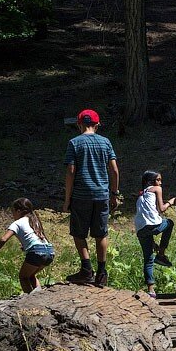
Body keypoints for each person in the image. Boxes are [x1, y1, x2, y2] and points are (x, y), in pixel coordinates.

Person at [63, 109, 120, 288]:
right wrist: (114, 193)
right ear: (97, 125)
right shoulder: (105, 143)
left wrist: (67, 199)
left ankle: (86, 269)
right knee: (101, 233)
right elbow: (114, 170)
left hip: (81, 195)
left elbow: (71, 171)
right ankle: (102, 273)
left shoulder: (74, 143)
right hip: (102, 195)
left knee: (78, 233)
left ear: (79, 124)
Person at [0, 198, 55, 293]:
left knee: (23, 277)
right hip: (49, 251)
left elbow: (3, 239)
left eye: (13, 212)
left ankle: (30, 300)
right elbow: (37, 237)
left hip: (36, 252)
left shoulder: (17, 223)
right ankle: (39, 296)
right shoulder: (34, 220)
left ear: (18, 211)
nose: (13, 215)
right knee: (31, 276)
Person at [135, 170, 175, 298]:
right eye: (158, 180)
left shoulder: (142, 194)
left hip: (140, 228)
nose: (160, 182)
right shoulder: (157, 189)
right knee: (169, 223)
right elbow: (161, 209)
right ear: (150, 181)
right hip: (153, 225)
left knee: (148, 258)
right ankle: (161, 254)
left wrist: (153, 243)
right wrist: (172, 201)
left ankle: (151, 290)